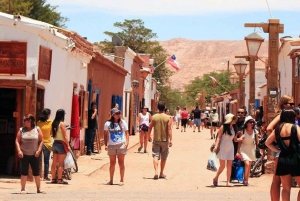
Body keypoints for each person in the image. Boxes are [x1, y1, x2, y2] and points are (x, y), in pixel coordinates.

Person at [265, 109, 300, 201]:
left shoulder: (278, 129)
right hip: (295, 158)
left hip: (283, 158)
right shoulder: (295, 127)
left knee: (285, 188)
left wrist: (278, 150)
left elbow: (267, 143)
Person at [15, 114, 45, 194]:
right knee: (24, 171)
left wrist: (38, 151)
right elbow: (17, 141)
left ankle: (39, 189)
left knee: (36, 172)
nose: (24, 122)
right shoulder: (21, 130)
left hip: (34, 154)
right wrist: (19, 151)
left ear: (30, 121)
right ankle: (23, 189)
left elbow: (41, 140)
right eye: (24, 120)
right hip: (24, 154)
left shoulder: (37, 129)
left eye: (26, 120)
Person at [104, 108, 129, 186]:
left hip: (121, 144)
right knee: (112, 163)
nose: (118, 115)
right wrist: (105, 144)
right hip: (111, 145)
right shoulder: (107, 124)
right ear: (112, 115)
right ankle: (111, 180)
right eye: (116, 114)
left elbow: (127, 133)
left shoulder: (123, 123)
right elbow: (105, 134)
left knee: (121, 163)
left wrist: (127, 143)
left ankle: (122, 180)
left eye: (119, 113)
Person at [148, 101, 172, 179]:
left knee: (155, 155)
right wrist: (171, 139)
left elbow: (150, 127)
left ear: (158, 108)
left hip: (156, 139)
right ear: (164, 108)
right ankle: (161, 173)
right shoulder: (168, 117)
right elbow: (169, 129)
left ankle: (156, 172)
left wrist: (149, 136)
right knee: (164, 157)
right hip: (165, 140)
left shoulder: (154, 117)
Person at [212, 113, 238, 187]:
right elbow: (219, 137)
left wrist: (241, 139)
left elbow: (235, 140)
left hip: (231, 147)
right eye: (233, 119)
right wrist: (216, 146)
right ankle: (216, 177)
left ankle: (228, 182)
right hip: (223, 147)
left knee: (229, 165)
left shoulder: (234, 128)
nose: (235, 120)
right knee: (222, 166)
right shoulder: (223, 127)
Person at [237, 116, 259, 186]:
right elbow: (240, 142)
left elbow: (257, 142)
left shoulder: (255, 131)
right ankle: (245, 179)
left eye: (253, 122)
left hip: (251, 149)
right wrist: (238, 151)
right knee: (247, 164)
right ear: (246, 123)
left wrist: (258, 149)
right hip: (243, 148)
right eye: (250, 122)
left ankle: (246, 179)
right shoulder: (243, 131)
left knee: (249, 165)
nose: (252, 123)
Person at [51, 109, 70, 184]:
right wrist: (68, 145)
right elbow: (65, 135)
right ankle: (59, 179)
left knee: (54, 162)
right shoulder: (62, 124)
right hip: (61, 144)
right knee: (61, 163)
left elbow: (51, 134)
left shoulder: (54, 123)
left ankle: (53, 179)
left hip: (55, 143)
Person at [37, 108, 52, 181]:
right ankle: (46, 176)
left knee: (37, 160)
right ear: (48, 115)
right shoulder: (50, 122)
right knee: (46, 161)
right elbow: (52, 133)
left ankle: (38, 175)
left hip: (39, 143)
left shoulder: (38, 123)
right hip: (47, 143)